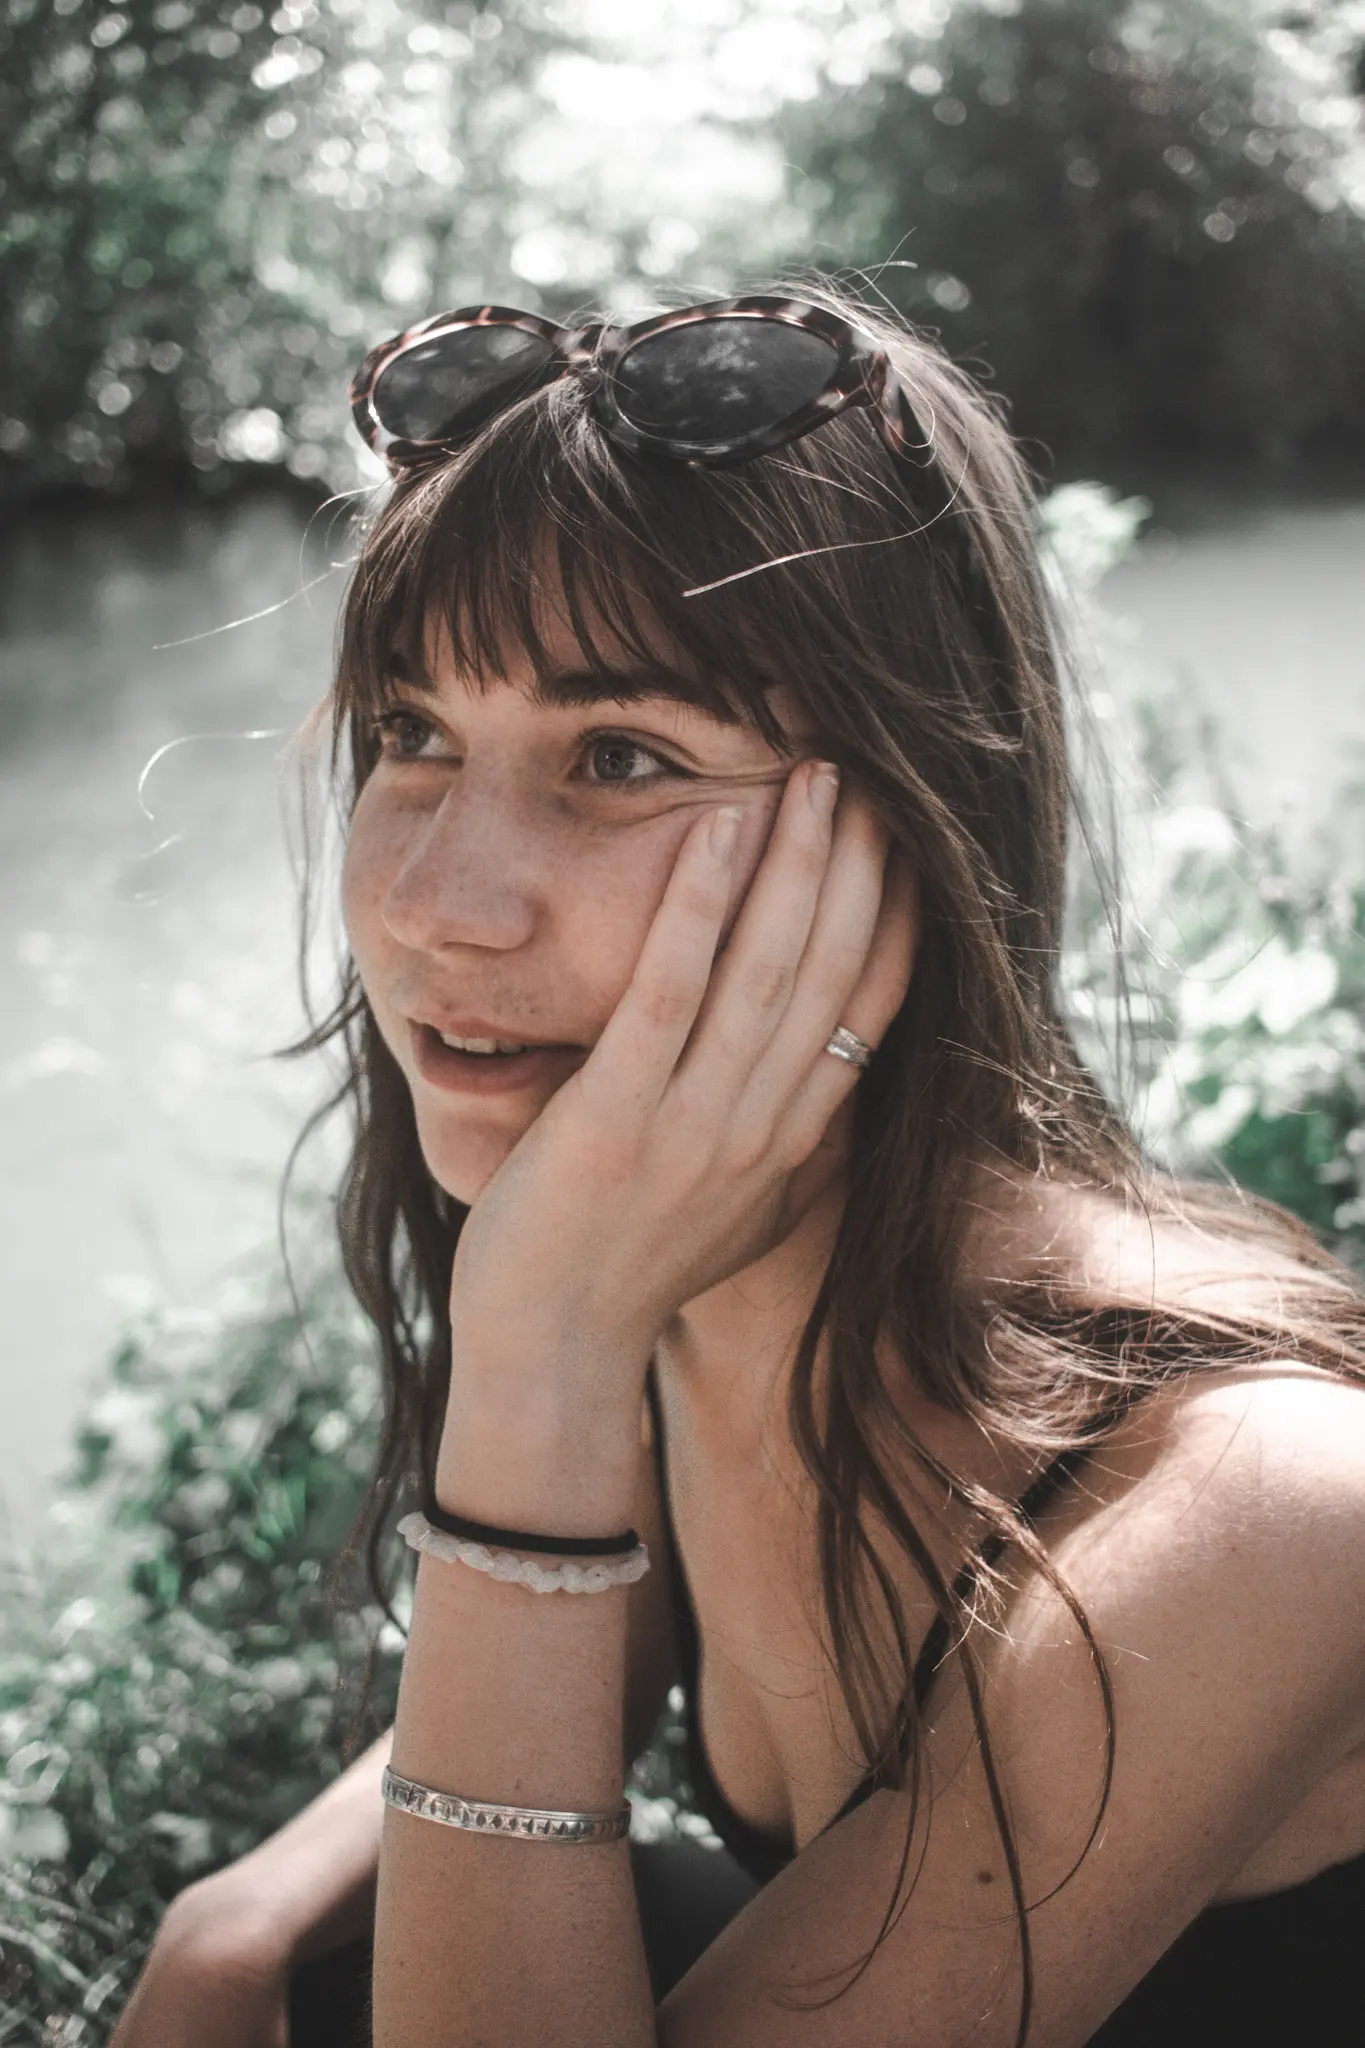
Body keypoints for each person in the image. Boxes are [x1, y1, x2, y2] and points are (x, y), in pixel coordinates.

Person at [109, 282, 1365, 2048]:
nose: (435, 905)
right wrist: (252, 1908)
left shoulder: (1264, 1511)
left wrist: (539, 1349)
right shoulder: (684, 1262)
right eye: (413, 735)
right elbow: (600, 1631)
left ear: (908, 830)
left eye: (619, 758)